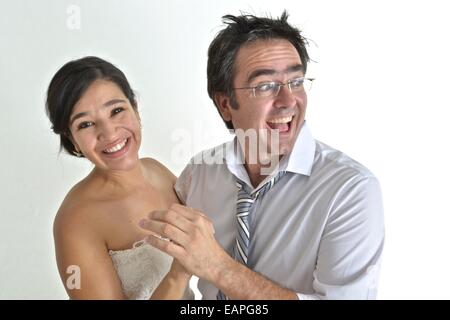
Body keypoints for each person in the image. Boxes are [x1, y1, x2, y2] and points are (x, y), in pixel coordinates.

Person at [139, 11, 385, 299]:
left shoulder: (350, 190)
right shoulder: (199, 174)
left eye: (295, 81)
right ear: (225, 104)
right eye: (265, 86)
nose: (288, 101)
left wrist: (218, 267)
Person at [46, 56, 193, 299]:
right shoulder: (75, 221)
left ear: (135, 108)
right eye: (86, 124)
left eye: (116, 110)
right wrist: (180, 273)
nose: (109, 132)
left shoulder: (157, 171)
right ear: (72, 140)